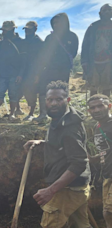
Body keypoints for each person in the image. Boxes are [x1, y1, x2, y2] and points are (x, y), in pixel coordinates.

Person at [24, 81, 91, 228]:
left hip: (66, 189)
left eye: (58, 99)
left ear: (67, 100)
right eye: (50, 100)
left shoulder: (69, 128)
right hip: (77, 187)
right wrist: (43, 142)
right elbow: (64, 145)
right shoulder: (61, 119)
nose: (53, 103)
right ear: (45, 101)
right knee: (80, 225)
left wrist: (51, 190)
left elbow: (79, 162)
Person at [34, 13, 78, 122]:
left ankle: (61, 114)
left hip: (63, 69)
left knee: (61, 92)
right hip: (48, 69)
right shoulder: (50, 37)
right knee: (44, 90)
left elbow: (73, 52)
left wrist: (62, 62)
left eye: (58, 22)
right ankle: (43, 114)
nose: (56, 25)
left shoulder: (72, 36)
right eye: (54, 23)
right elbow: (43, 54)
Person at [0, 21, 26, 122]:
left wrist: (20, 74)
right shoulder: (1, 43)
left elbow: (24, 61)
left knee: (13, 95)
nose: (3, 32)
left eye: (5, 30)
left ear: (12, 30)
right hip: (2, 73)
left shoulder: (20, 42)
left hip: (14, 74)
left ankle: (12, 114)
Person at [87, 94, 112, 227]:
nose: (96, 110)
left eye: (100, 106)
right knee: (107, 212)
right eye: (93, 108)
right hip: (107, 175)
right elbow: (106, 152)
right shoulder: (98, 127)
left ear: (109, 106)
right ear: (89, 111)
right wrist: (91, 159)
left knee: (109, 212)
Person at [82, 4, 112, 97]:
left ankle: (105, 109)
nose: (107, 12)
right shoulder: (93, 27)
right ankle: (93, 108)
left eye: (109, 10)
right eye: (104, 10)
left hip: (109, 63)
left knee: (107, 88)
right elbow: (85, 45)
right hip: (93, 63)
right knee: (93, 89)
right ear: (100, 13)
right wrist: (84, 62)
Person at [17, 21, 44, 121]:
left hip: (33, 71)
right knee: (19, 91)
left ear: (35, 30)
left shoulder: (39, 42)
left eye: (30, 29)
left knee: (31, 92)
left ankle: (31, 113)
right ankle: (17, 110)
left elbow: (41, 60)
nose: (27, 32)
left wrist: (37, 74)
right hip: (22, 70)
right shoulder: (23, 42)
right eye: (26, 30)